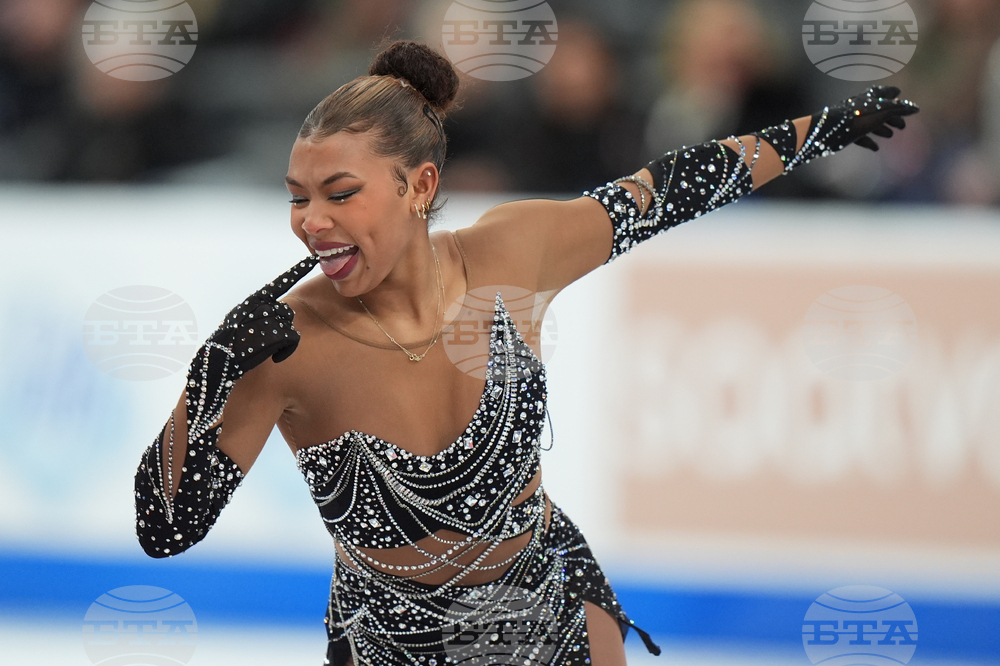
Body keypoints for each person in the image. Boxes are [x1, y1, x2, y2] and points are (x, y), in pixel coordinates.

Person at [133, 40, 918, 666]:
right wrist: (208, 376)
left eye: (340, 194)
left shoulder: (512, 254)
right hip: (393, 645)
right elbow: (165, 528)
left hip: (550, 608)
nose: (311, 222)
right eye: (298, 197)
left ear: (418, 185)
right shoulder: (284, 344)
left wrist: (813, 134)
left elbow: (666, 189)